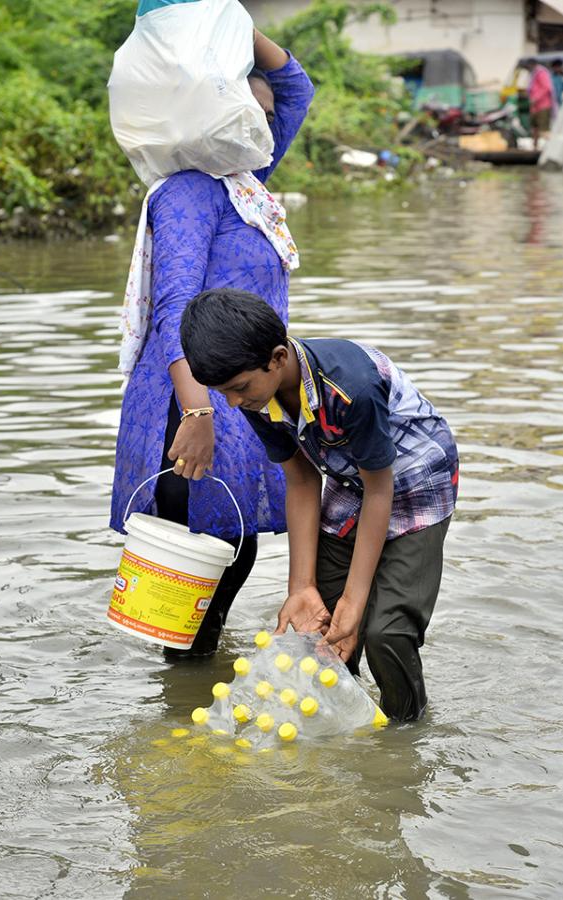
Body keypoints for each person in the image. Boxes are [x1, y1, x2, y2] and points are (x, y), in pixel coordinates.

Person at [110, 30, 315, 658]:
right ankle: (181, 703)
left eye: (267, 119)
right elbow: (174, 306)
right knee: (204, 550)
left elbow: (295, 87)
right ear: (218, 117)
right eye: (252, 115)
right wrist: (197, 412)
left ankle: (185, 695)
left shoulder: (244, 185)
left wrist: (228, 17)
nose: (269, 124)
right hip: (194, 393)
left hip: (241, 392)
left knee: (231, 543)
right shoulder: (191, 192)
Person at [180, 289, 459, 721]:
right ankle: (341, 725)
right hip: (349, 477)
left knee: (387, 634)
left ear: (276, 358)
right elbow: (302, 477)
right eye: (223, 393)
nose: (233, 403)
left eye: (237, 389)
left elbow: (380, 491)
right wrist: (301, 587)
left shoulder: (352, 389)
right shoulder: (257, 393)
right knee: (321, 628)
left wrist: (356, 597)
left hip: (418, 480)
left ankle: (405, 733)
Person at [522, 58, 557, 147]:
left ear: (532, 65)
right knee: (535, 129)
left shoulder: (541, 73)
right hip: (534, 107)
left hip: (543, 105)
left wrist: (535, 98)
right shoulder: (533, 74)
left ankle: (553, 148)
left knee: (544, 131)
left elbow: (547, 88)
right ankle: (535, 148)